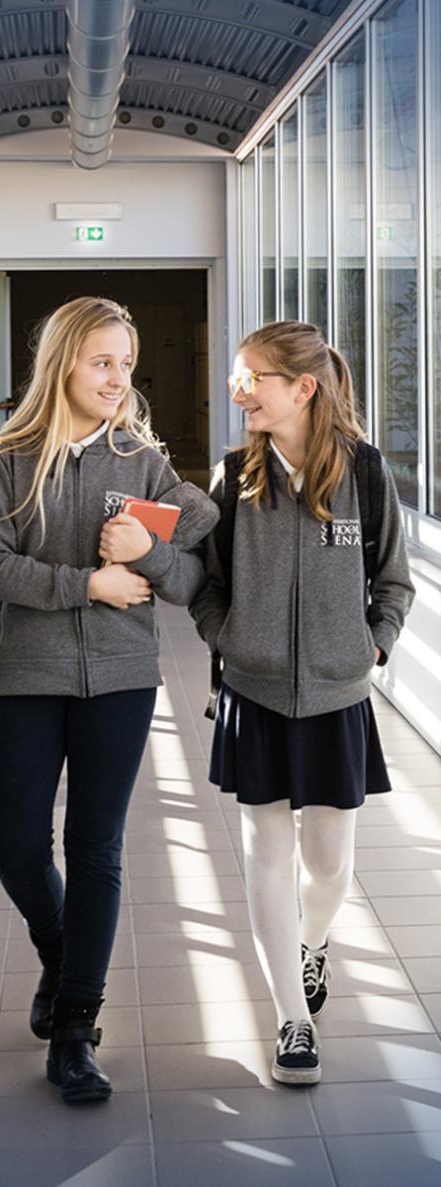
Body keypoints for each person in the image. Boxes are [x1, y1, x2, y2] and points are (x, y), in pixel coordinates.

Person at [0, 296, 218, 1103]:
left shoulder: (144, 461)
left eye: (127, 364)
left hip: (120, 678)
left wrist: (150, 554)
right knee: (15, 847)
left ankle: (76, 1028)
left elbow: (185, 581)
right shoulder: (1, 458)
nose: (118, 379)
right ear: (64, 363)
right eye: (102, 361)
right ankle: (62, 948)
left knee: (97, 848)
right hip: (28, 675)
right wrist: (88, 583)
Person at [190, 320, 414, 1086]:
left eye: (252, 377)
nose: (238, 390)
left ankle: (312, 945)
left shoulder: (366, 473)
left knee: (329, 863)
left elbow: (394, 582)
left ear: (302, 388)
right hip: (254, 693)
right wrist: (231, 638)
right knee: (266, 851)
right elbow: (209, 584)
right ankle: (292, 1017)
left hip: (337, 694)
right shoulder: (233, 476)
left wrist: (371, 646)